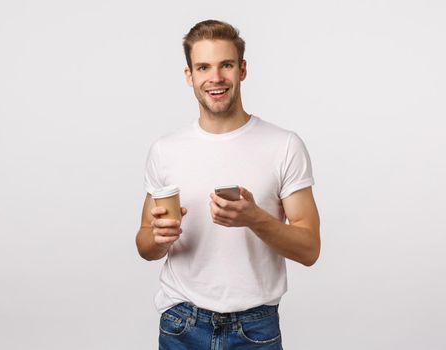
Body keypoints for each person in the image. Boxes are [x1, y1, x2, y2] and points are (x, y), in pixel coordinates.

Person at [136, 19, 320, 349]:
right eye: (203, 67)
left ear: (242, 69)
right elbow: (144, 244)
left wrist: (255, 218)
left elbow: (310, 249)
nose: (216, 78)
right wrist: (159, 238)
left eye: (226, 65)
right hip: (182, 324)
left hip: (255, 327)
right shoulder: (165, 150)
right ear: (189, 76)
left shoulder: (284, 145)